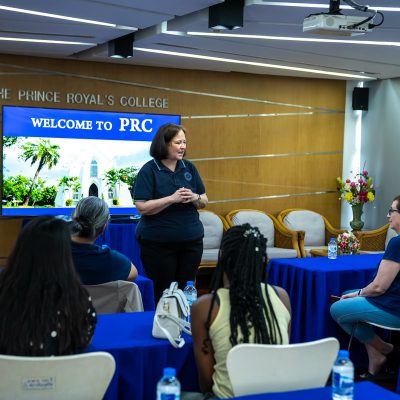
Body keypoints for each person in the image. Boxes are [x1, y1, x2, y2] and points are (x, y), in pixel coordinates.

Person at [191, 224, 291, 398]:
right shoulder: (281, 297)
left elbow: (207, 383)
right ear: (264, 259)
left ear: (221, 255)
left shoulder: (206, 307)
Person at [0, 216, 96, 356]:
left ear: (21, 249)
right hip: (62, 370)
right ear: (64, 254)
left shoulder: (4, 292)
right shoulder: (78, 300)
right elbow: (84, 340)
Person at [134, 123, 208, 301]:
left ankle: (186, 319)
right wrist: (171, 199)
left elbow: (204, 200)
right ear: (164, 144)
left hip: (192, 242)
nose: (183, 147)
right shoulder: (149, 170)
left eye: (184, 142)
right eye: (178, 142)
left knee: (186, 291)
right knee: (164, 292)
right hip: (159, 244)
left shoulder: (189, 167)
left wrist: (194, 197)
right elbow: (142, 207)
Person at [331, 194, 400, 380]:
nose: (388, 215)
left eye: (392, 211)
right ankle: (375, 358)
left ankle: (386, 349)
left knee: (337, 308)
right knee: (347, 295)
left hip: (393, 309)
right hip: (393, 302)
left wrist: (359, 293)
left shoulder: (397, 243)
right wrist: (356, 294)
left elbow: (379, 288)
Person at [71, 196, 138, 285]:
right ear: (103, 227)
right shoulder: (111, 260)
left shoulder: (55, 253)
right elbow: (133, 274)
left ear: (74, 219)